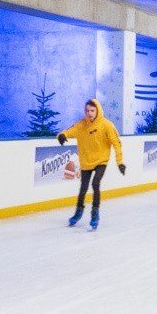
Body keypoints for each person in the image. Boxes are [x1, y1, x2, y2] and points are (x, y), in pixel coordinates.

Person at [57, 98, 125, 229]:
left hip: (101, 160)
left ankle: (95, 213)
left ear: (97, 110)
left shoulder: (107, 125)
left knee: (95, 183)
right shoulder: (82, 124)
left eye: (92, 110)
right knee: (83, 188)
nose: (89, 113)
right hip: (86, 161)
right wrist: (62, 135)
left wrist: (119, 162)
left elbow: (116, 143)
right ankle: (78, 213)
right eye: (87, 110)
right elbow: (70, 131)